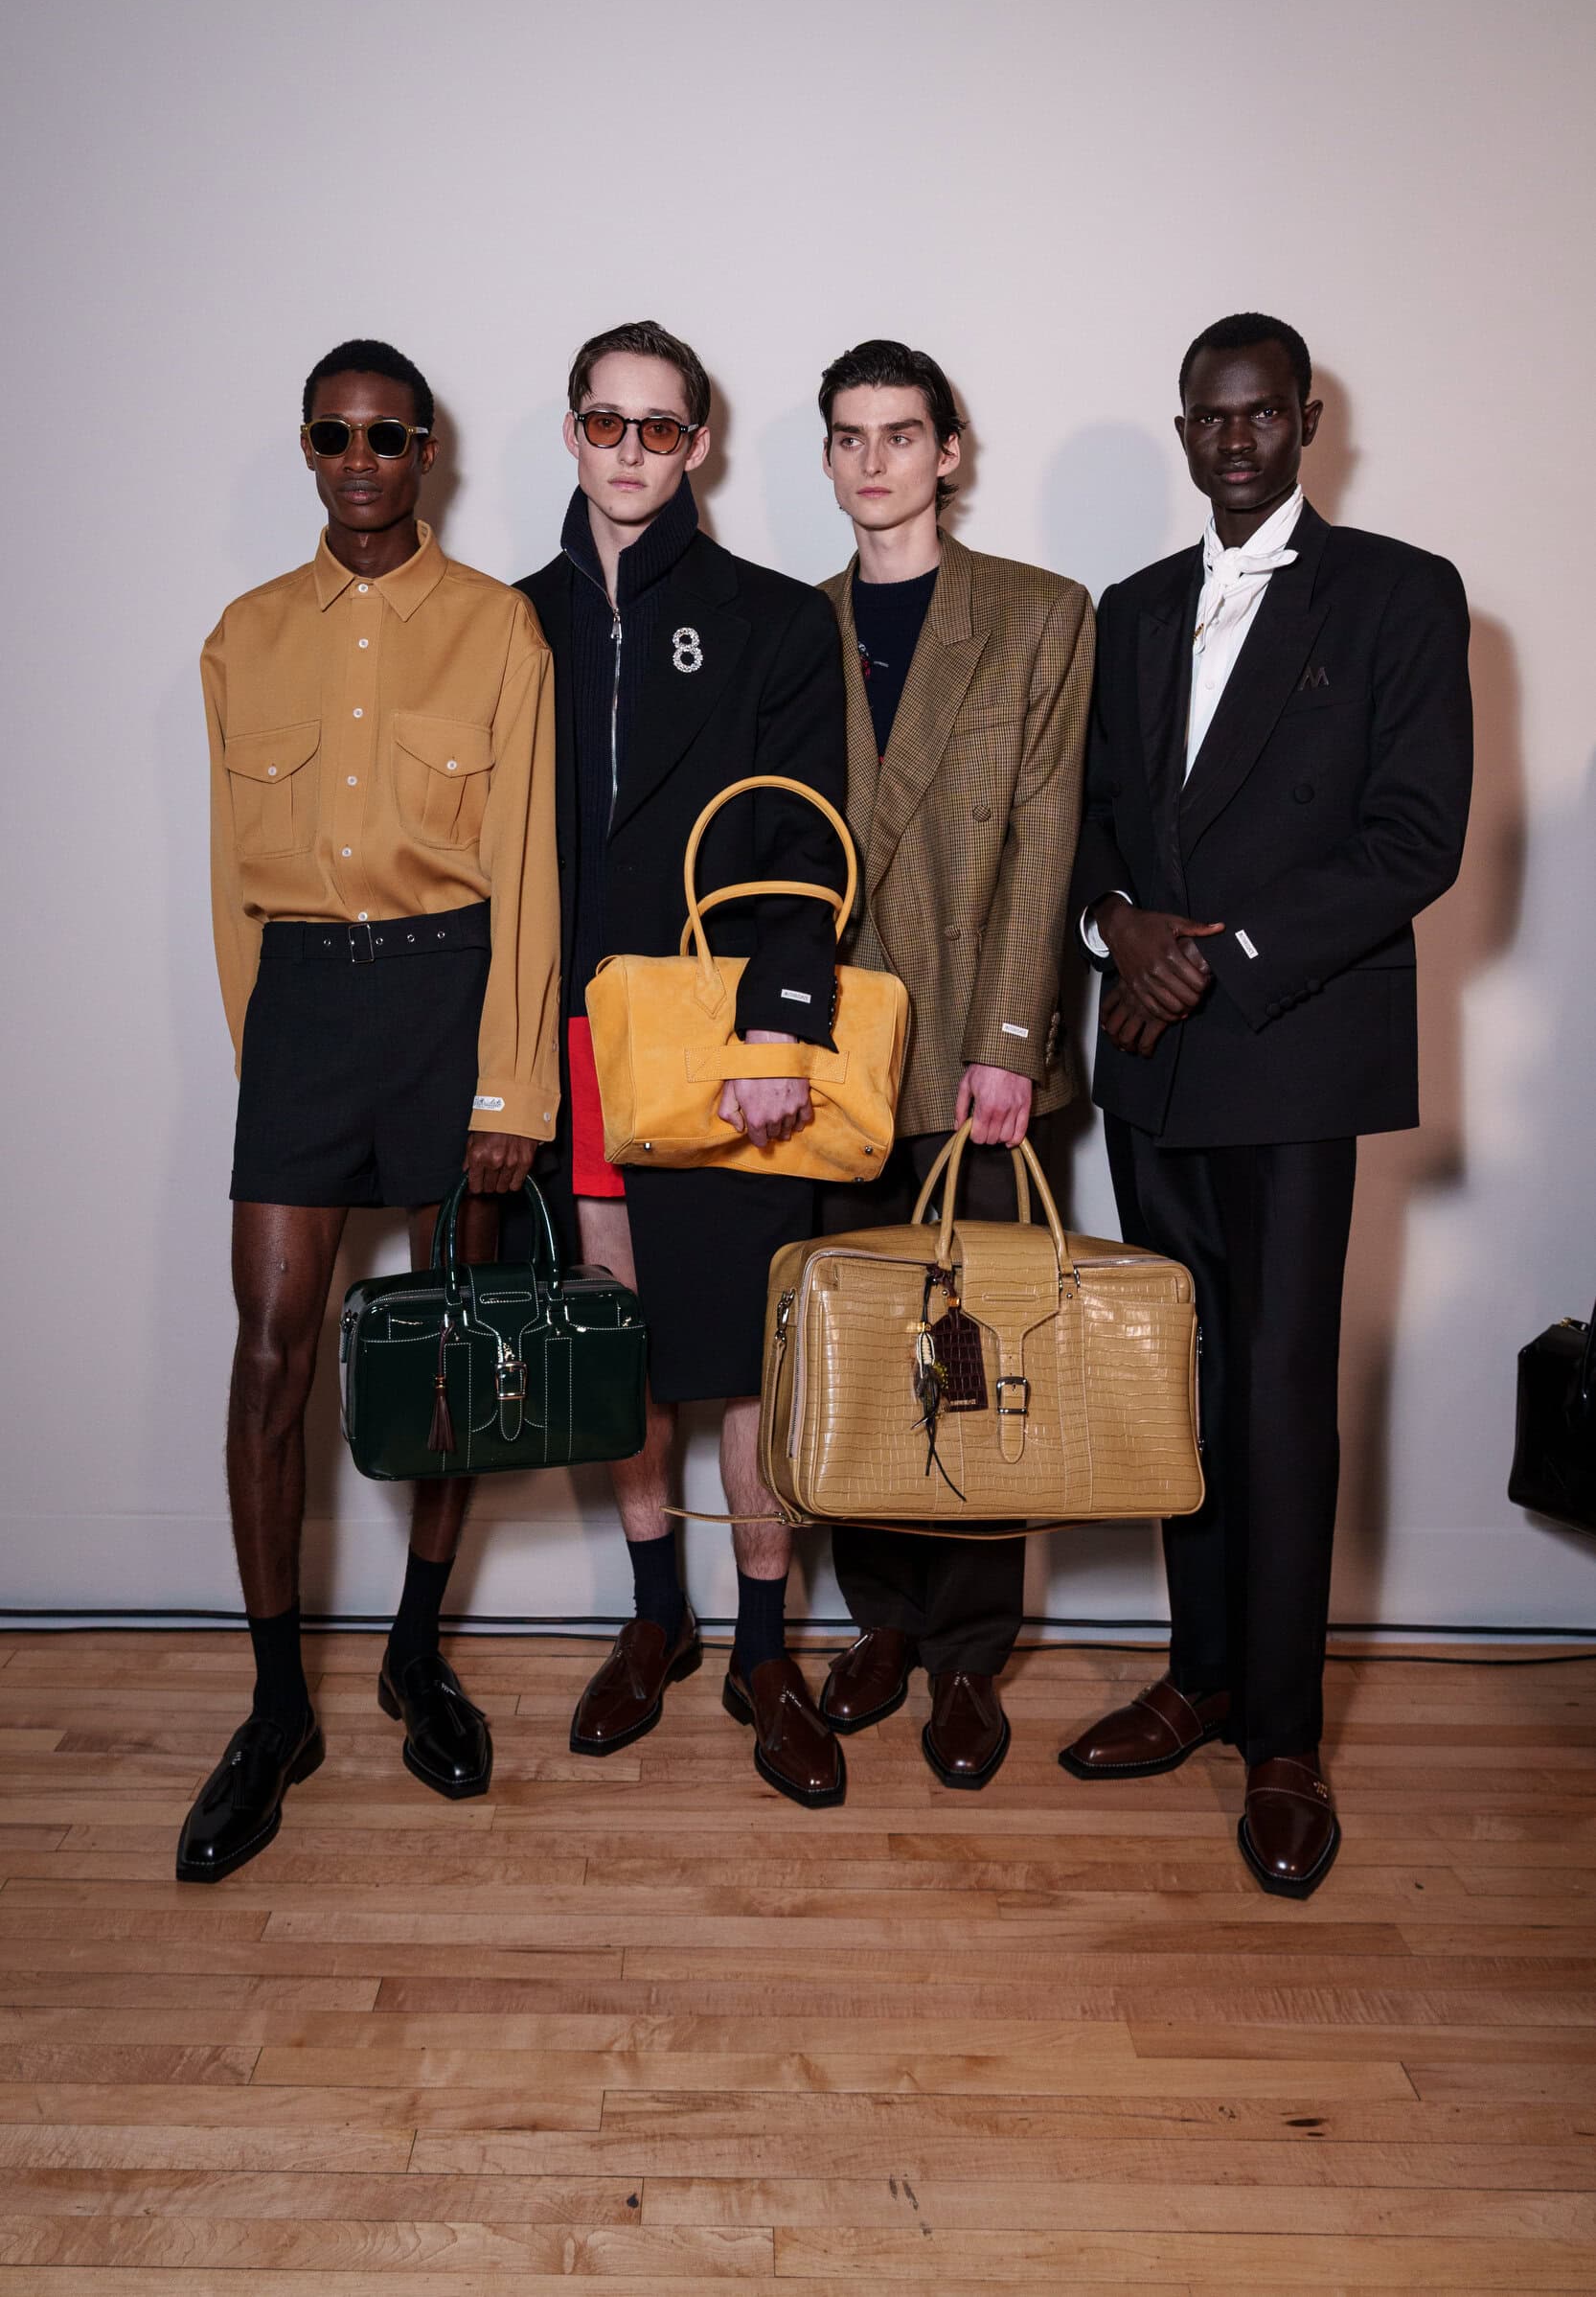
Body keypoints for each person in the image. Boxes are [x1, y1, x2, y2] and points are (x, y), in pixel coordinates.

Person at [1060, 312, 1472, 1896]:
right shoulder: (1131, 607)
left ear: (1305, 422)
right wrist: (1115, 928)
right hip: (1150, 1058)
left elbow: (1411, 837)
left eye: (1259, 414)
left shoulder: (1397, 593)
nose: (1233, 440)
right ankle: (1202, 1677)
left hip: (1287, 1047)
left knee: (1282, 1392)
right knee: (1178, 1381)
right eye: (1207, 417)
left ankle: (1285, 1739)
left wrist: (1213, 960)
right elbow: (1095, 811)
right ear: (1185, 433)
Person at [180, 338, 560, 1883]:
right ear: (307, 449)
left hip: (446, 1003)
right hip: (304, 1014)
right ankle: (276, 1705)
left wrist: (511, 1081)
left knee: (448, 1346)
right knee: (271, 1352)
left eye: (388, 438)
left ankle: (414, 1651)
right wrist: (260, 1055)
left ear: (425, 454)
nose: (361, 463)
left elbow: (525, 864)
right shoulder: (244, 635)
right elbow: (230, 882)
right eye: (336, 437)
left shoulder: (496, 626)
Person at [516, 320, 850, 1807]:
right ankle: (657, 1615)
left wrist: (781, 1024)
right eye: (607, 422)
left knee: (747, 1358)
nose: (631, 450)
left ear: (696, 443)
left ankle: (765, 1645)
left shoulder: (772, 618)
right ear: (573, 432)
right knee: (620, 1343)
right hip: (575, 1042)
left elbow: (806, 835)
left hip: (726, 1041)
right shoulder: (509, 621)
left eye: (660, 427)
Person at [811, 339, 1094, 1787]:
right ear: (828, 458)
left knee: (980, 1355)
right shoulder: (793, 625)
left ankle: (971, 1651)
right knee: (866, 1348)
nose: (876, 461)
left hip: (981, 1047)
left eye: (901, 434)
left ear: (949, 451)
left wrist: (1008, 1045)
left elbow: (1047, 833)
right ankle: (879, 1621)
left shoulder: (1039, 614)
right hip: (837, 1057)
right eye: (849, 437)